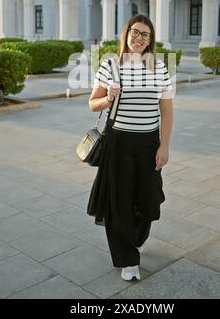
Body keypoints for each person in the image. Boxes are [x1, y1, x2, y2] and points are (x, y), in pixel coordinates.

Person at [88, 14, 173, 281]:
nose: (139, 38)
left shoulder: (159, 67)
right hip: (118, 142)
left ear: (151, 40)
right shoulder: (109, 64)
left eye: (145, 35)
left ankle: (135, 238)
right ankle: (127, 259)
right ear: (126, 33)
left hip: (149, 144)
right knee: (119, 201)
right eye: (135, 32)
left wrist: (164, 146)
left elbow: (167, 112)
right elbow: (93, 103)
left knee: (147, 200)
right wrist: (108, 97)